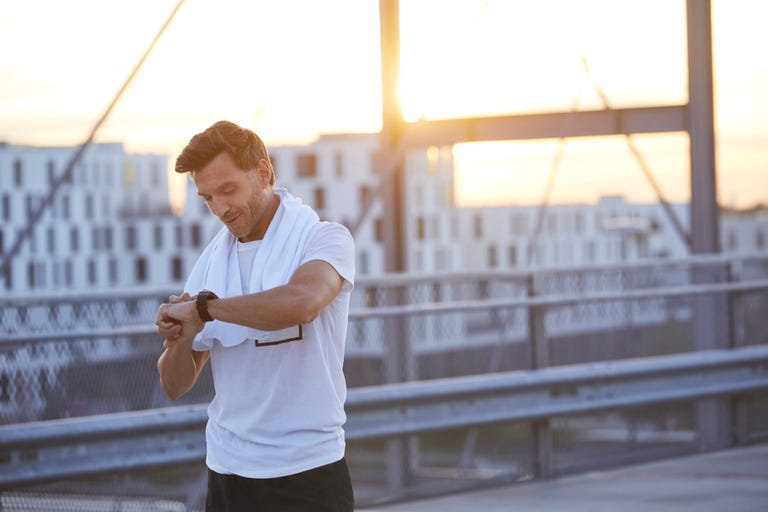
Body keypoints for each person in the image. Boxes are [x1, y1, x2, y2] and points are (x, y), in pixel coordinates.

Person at [155, 120, 355, 511]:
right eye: (208, 197)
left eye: (228, 190)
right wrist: (181, 336)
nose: (220, 208)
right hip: (228, 470)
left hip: (308, 470)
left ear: (263, 173)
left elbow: (302, 302)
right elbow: (174, 385)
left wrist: (204, 309)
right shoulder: (211, 264)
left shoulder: (325, 239)